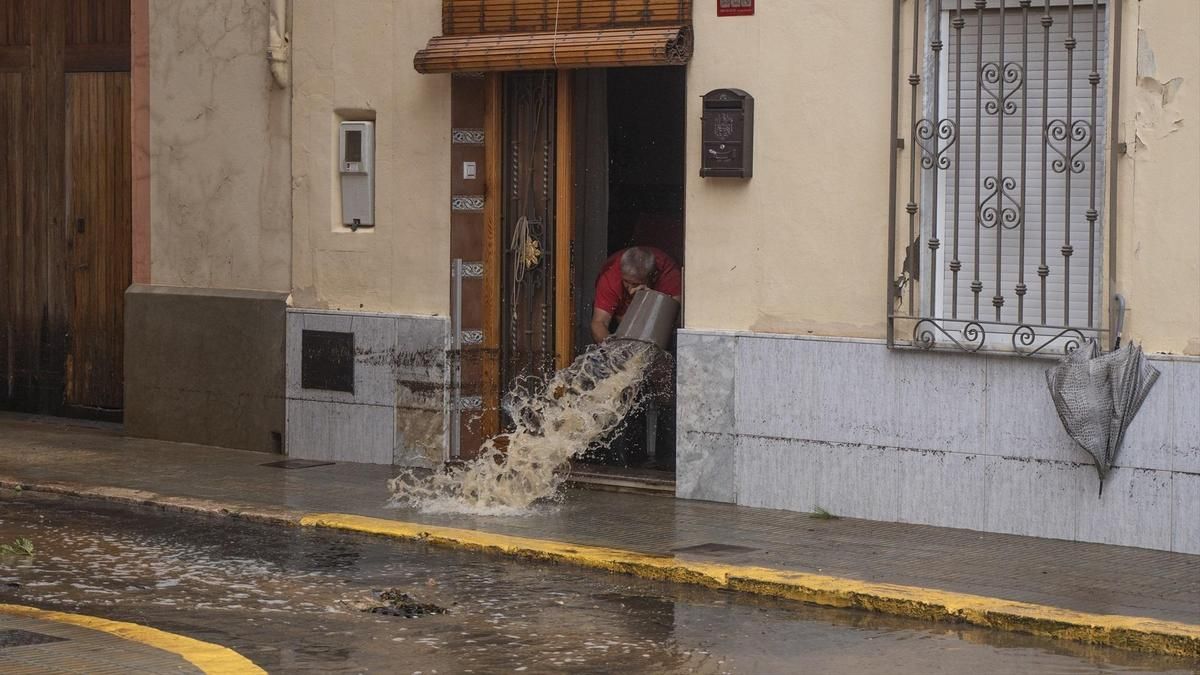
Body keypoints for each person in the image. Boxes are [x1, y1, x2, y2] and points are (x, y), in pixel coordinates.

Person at [590, 246, 682, 343]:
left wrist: (650, 298)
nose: (630, 290)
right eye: (626, 282)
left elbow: (672, 320)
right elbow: (599, 323)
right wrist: (614, 350)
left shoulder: (669, 275)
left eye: (635, 284)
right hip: (619, 316)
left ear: (654, 277)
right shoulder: (610, 277)